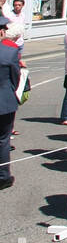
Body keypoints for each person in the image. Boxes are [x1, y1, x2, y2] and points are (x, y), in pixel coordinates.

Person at [0, 17, 19, 191]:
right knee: (3, 140)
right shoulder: (9, 52)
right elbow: (15, 78)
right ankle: (3, 175)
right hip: (4, 101)